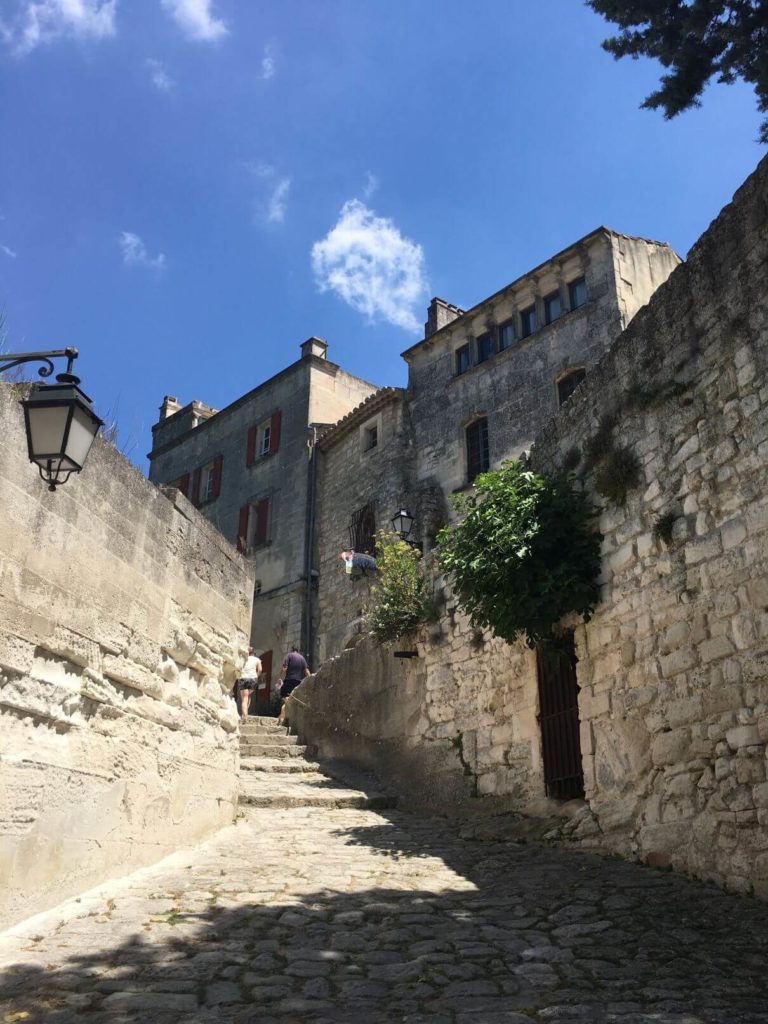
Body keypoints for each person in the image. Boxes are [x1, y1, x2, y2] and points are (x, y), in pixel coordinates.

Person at [277, 646, 311, 725]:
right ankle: (283, 716)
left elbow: (284, 668)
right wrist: (310, 679)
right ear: (298, 651)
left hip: (289, 680)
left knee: (284, 695)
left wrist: (279, 677)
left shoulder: (289, 655)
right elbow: (306, 670)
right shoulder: (302, 658)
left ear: (292, 650)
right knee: (291, 698)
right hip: (299, 682)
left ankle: (285, 714)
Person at [236, 647, 262, 720]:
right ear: (254, 653)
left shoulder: (243, 659)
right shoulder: (257, 659)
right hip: (253, 679)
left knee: (244, 698)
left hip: (243, 678)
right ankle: (245, 712)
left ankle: (245, 716)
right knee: (248, 696)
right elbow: (260, 670)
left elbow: (238, 667)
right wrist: (256, 676)